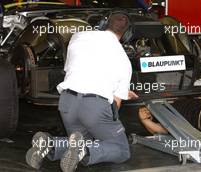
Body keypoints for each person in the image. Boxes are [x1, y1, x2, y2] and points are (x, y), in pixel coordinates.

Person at [26, 11, 138, 172]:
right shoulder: (124, 61)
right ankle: (84, 151)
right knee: (121, 150)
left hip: (67, 102)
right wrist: (118, 94)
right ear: (127, 34)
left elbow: (76, 69)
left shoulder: (78, 37)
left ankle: (50, 144)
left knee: (78, 143)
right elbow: (115, 105)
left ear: (105, 24)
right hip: (94, 107)